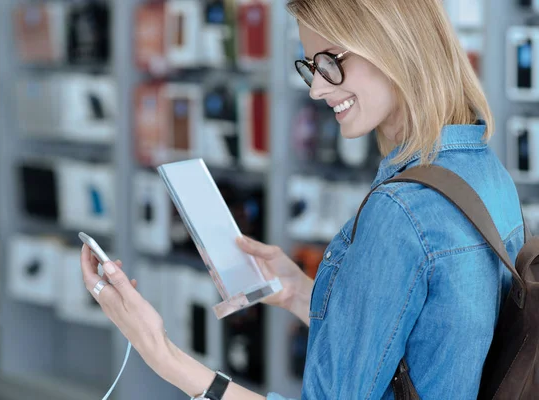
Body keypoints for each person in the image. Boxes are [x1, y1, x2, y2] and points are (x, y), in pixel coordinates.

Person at [80, 0, 524, 398]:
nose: (316, 89)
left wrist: (163, 355)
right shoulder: (485, 173)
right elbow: (430, 345)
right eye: (312, 66)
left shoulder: (402, 212)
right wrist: (299, 294)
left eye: (331, 62)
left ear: (394, 46)